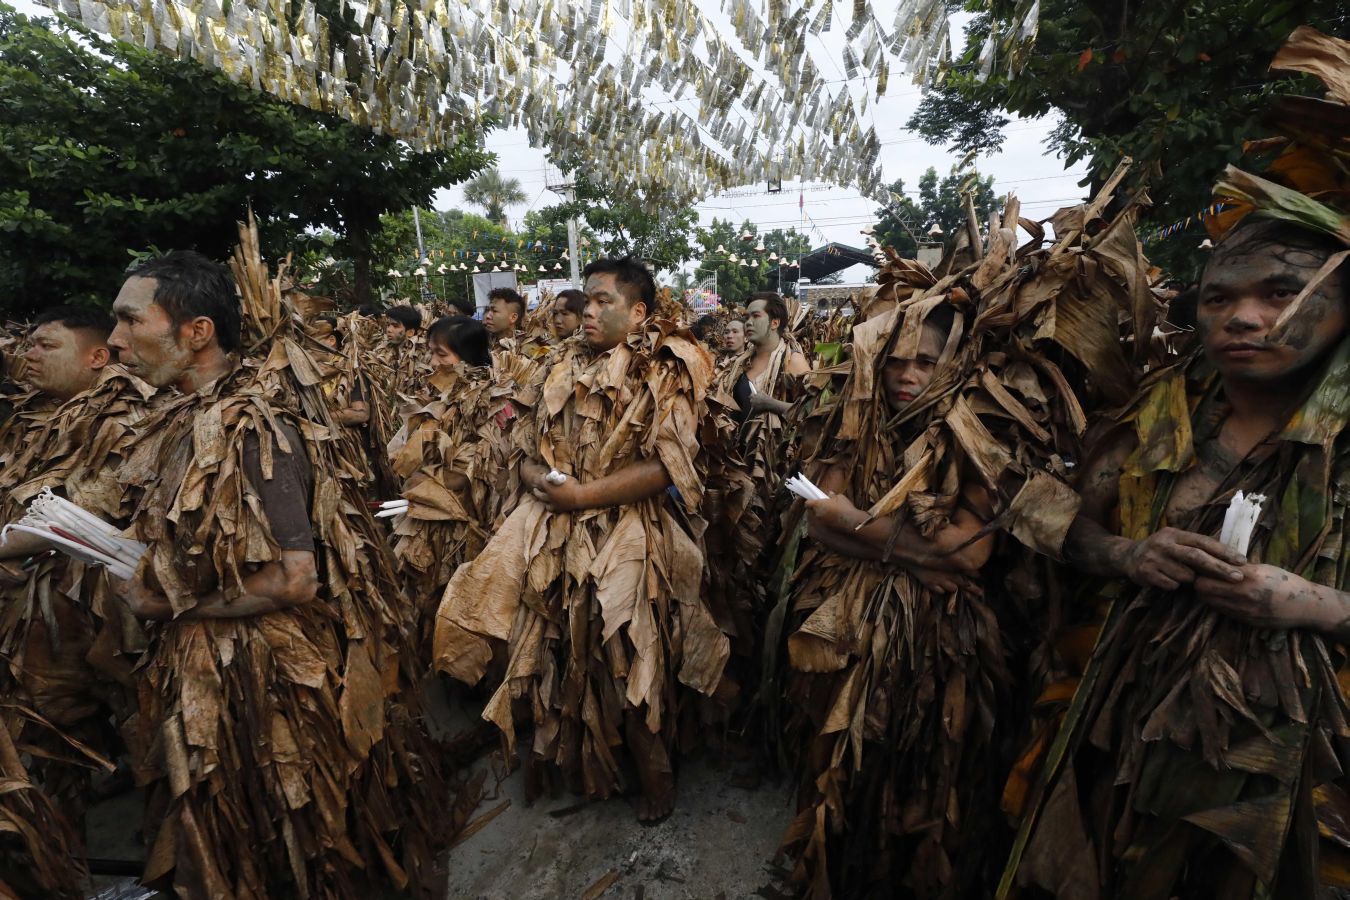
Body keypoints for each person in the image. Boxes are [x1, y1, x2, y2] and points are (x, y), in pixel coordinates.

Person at [104, 251, 450, 897]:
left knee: (297, 832)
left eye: (129, 321)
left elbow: (296, 580)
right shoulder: (178, 420)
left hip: (268, 677)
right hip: (207, 670)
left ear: (197, 331)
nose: (117, 341)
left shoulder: (253, 427)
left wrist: (169, 605)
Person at [433, 256, 729, 823]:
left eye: (603, 302)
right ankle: (552, 749)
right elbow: (521, 448)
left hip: (629, 535)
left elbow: (668, 466)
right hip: (551, 530)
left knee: (626, 652)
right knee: (545, 643)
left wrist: (583, 498)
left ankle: (656, 777)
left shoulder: (666, 369)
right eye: (585, 302)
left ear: (638, 311)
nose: (589, 311)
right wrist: (539, 483)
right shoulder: (555, 366)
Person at [779, 300, 1013, 898]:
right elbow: (816, 523)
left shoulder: (979, 433)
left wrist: (854, 521)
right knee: (836, 740)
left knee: (917, 751)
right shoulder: (857, 425)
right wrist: (910, 553)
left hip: (936, 631)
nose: (908, 377)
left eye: (926, 363)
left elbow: (969, 554)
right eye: (897, 363)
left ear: (955, 364)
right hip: (848, 612)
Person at [388, 315, 514, 659]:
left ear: (469, 356)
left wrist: (429, 469)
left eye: (442, 354)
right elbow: (413, 457)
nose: (433, 363)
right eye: (431, 353)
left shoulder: (496, 401)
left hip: (471, 521)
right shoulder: (432, 399)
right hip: (429, 517)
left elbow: (471, 473)